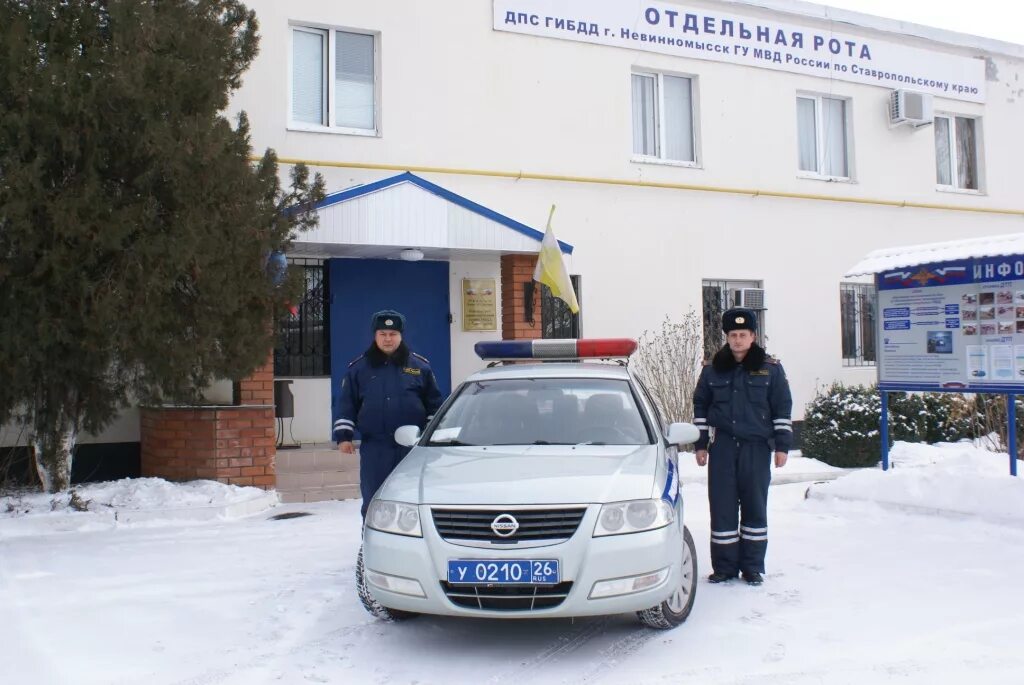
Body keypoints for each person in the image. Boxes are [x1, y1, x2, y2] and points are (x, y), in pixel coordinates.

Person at [692, 308, 793, 586]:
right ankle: (724, 567)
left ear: (753, 337)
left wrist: (782, 446)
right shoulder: (713, 369)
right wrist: (700, 444)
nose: (737, 340)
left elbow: (782, 407)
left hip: (756, 448)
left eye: (742, 335)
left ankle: (752, 567)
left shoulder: (770, 369)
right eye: (732, 335)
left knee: (754, 507)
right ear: (727, 337)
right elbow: (700, 406)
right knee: (722, 507)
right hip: (723, 447)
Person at [333, 310, 444, 517]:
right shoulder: (358, 369)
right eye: (383, 333)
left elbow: (435, 405)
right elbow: (347, 404)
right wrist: (343, 437)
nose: (387, 339)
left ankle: (410, 543)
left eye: (392, 334)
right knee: (374, 497)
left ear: (401, 336)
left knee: (414, 497)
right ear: (375, 335)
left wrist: (433, 437)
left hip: (413, 447)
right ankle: (369, 542)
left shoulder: (419, 367)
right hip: (376, 446)